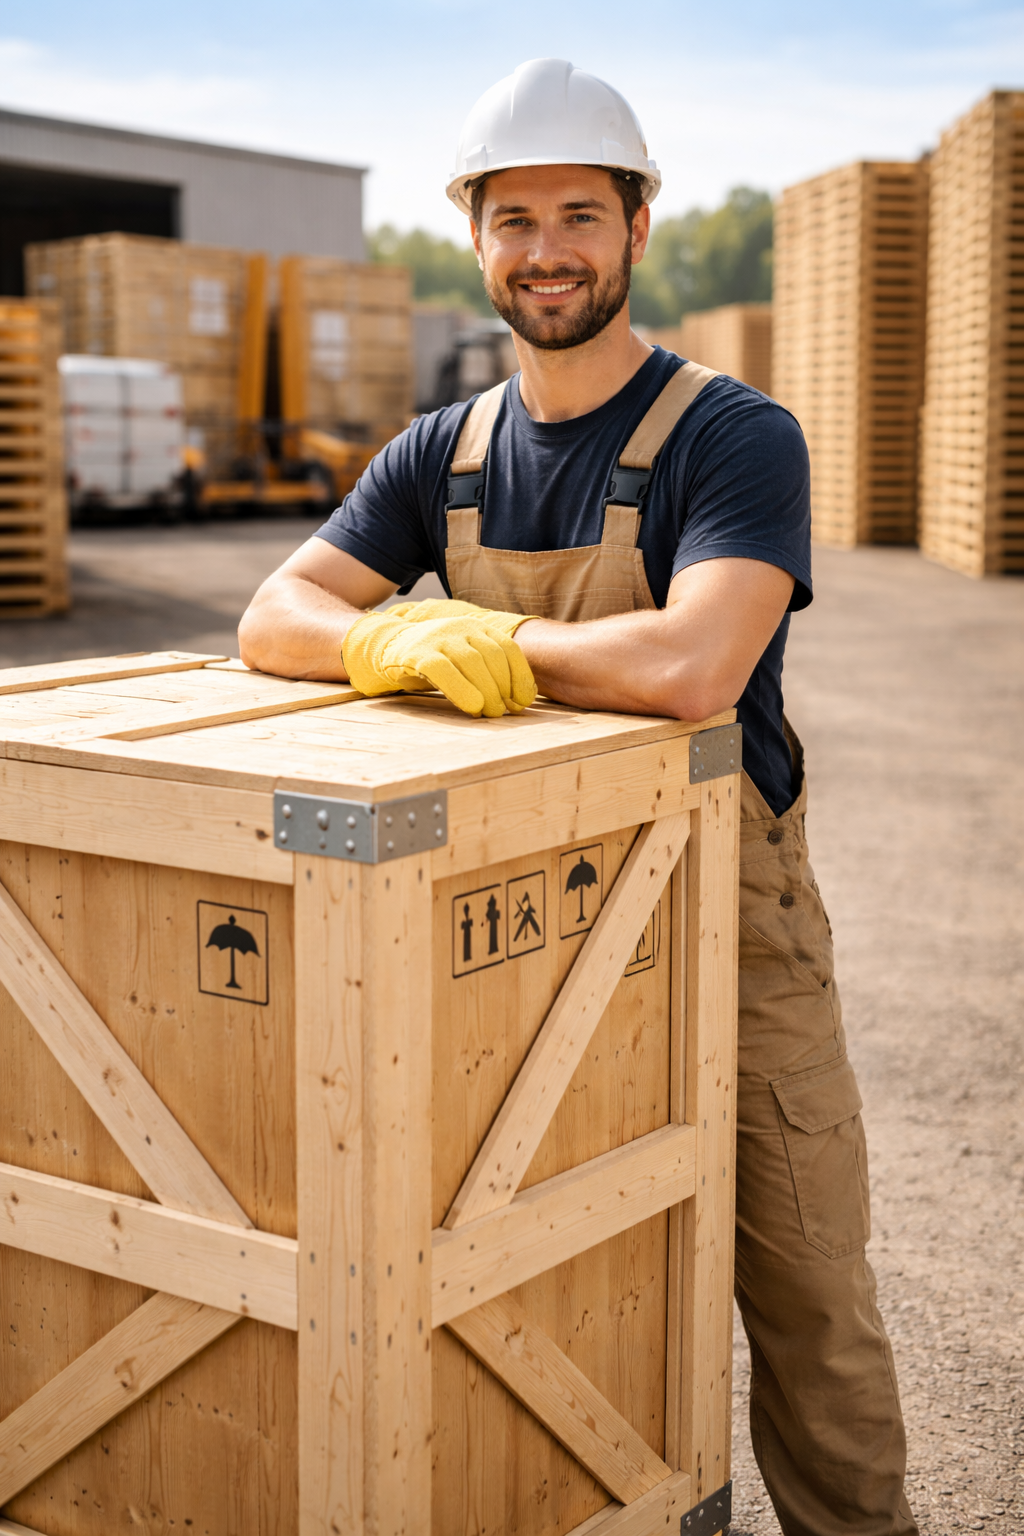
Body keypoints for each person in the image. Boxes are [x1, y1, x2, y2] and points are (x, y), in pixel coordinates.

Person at [238, 57, 917, 1536]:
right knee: (545, 1280)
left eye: (579, 215)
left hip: (735, 938)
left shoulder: (735, 437)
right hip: (529, 935)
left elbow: (692, 665)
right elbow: (270, 619)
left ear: (638, 230)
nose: (547, 249)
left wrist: (483, 637)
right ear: (474, 240)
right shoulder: (445, 452)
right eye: (514, 218)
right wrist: (382, 630)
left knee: (807, 1293)